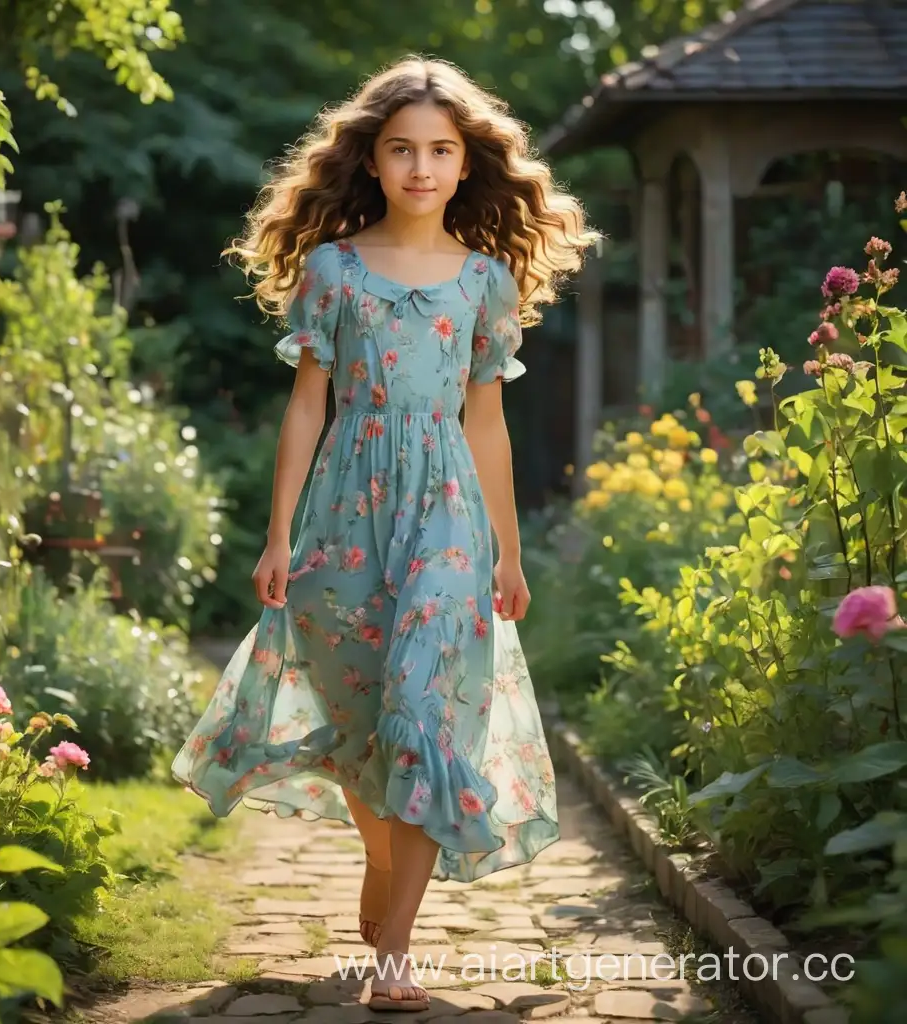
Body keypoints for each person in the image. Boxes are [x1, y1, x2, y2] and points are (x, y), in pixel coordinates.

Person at [172, 54, 597, 1012]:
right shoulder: (333, 271)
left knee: (424, 709)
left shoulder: (485, 282)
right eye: (401, 149)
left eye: (440, 151)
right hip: (344, 515)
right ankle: (378, 854)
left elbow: (485, 421)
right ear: (370, 159)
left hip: (446, 516)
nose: (420, 167)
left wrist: (509, 549)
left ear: (464, 164)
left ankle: (395, 952)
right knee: (362, 712)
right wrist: (278, 534)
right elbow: (306, 408)